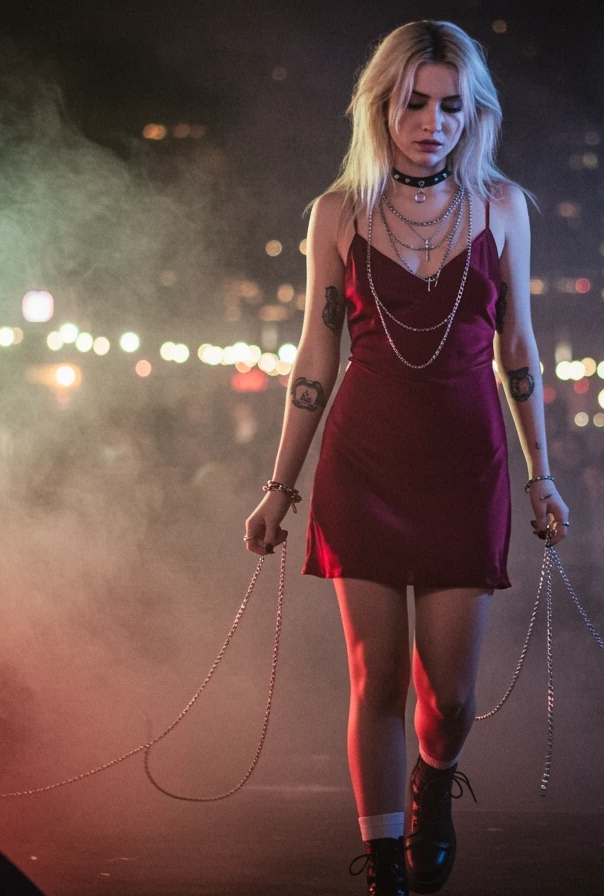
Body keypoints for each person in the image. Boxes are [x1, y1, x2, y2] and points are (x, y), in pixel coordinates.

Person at [243, 21, 569, 896]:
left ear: (474, 112)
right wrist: (279, 488)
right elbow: (315, 357)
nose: (433, 123)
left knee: (449, 698)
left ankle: (433, 780)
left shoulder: (502, 207)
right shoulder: (337, 212)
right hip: (364, 466)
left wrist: (541, 473)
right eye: (415, 103)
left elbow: (519, 347)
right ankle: (384, 865)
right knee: (375, 678)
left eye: (451, 106)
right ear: (381, 106)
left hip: (469, 467)